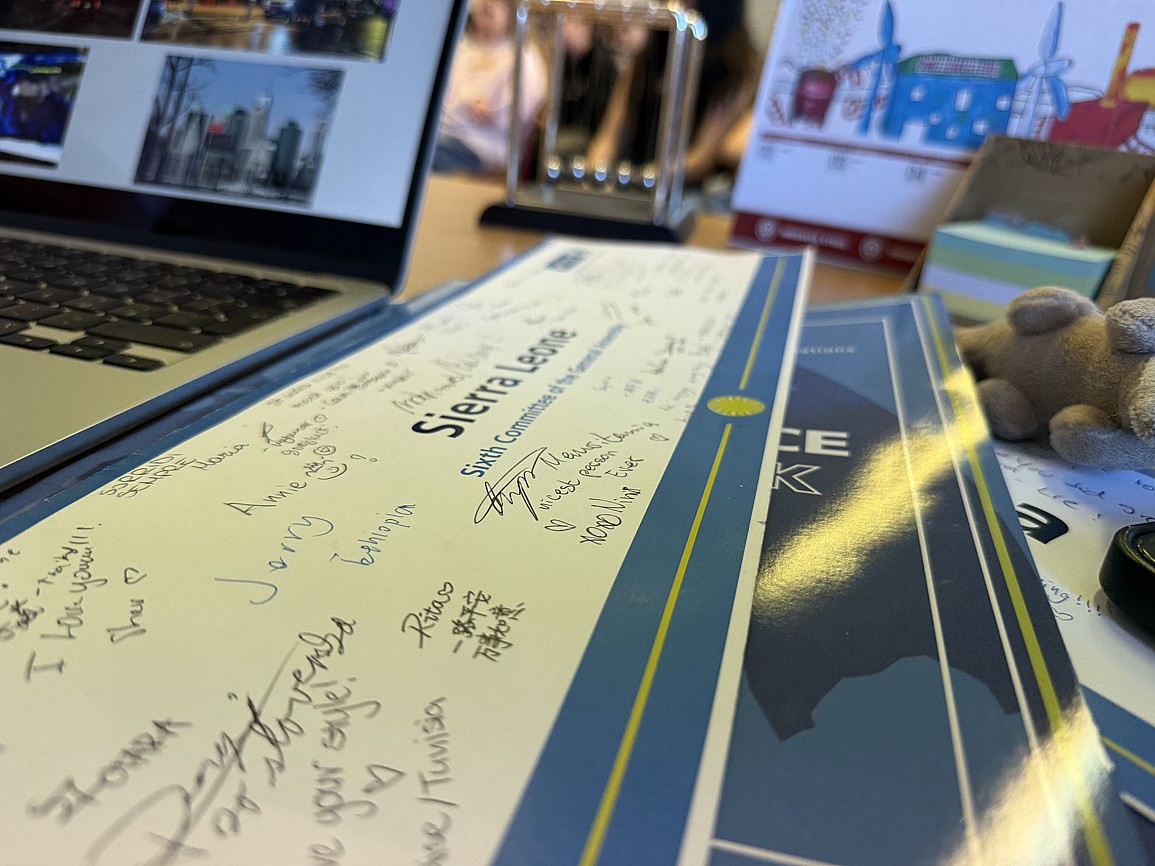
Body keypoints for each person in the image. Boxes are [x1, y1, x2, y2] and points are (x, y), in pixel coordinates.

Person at [585, 0, 758, 187]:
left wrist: (642, 179)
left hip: (686, 187)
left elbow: (702, 158)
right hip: (638, 178)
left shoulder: (737, 65)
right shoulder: (651, 50)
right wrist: (595, 175)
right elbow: (609, 134)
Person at [433, 0, 547, 175]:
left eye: (488, 12)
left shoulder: (523, 57)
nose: (480, 20)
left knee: (424, 153)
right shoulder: (466, 48)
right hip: (448, 135)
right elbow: (443, 100)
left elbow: (516, 115)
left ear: (510, 12)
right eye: (477, 12)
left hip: (485, 148)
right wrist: (467, 107)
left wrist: (472, 109)